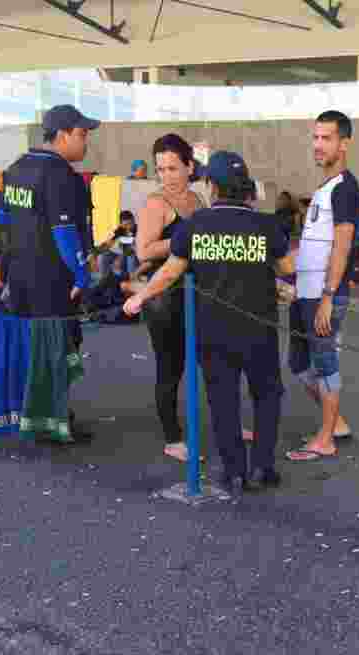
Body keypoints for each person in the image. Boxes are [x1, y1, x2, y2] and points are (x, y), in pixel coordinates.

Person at [124, 151, 292, 495]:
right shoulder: (266, 226)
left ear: (212, 186)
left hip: (213, 330)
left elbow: (170, 272)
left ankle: (234, 472)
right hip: (259, 328)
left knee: (223, 398)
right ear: (245, 185)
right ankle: (263, 466)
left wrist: (140, 297)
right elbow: (287, 269)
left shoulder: (194, 226)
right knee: (267, 394)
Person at [0, 104, 98, 443]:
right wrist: (81, 276)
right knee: (57, 350)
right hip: (52, 281)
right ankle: (53, 422)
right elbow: (64, 233)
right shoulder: (61, 176)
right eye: (82, 134)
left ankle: (31, 416)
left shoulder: (17, 168)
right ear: (62, 135)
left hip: (20, 276)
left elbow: (4, 219)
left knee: (29, 349)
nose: (86, 142)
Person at [130, 134, 216, 462]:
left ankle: (228, 423)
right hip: (164, 297)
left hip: (199, 293)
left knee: (214, 360)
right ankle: (172, 438)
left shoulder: (197, 200)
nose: (167, 176)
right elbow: (144, 251)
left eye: (173, 168)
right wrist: (185, 238)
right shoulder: (155, 203)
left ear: (189, 166)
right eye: (161, 169)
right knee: (171, 367)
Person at [287, 110, 359, 463]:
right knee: (299, 364)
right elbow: (314, 245)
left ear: (343, 143)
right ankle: (338, 423)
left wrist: (328, 297)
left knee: (326, 364)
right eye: (315, 137)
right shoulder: (324, 188)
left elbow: (342, 246)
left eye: (326, 138)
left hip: (324, 296)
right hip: (306, 293)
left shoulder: (346, 188)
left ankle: (327, 438)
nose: (318, 145)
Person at [96, 210, 138, 276]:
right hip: (120, 252)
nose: (128, 227)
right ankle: (104, 279)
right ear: (121, 224)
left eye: (130, 224)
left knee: (130, 256)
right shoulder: (120, 230)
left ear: (133, 221)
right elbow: (109, 242)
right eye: (125, 225)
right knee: (101, 257)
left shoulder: (138, 230)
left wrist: (120, 258)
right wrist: (96, 251)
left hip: (131, 253)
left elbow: (134, 247)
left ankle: (132, 279)